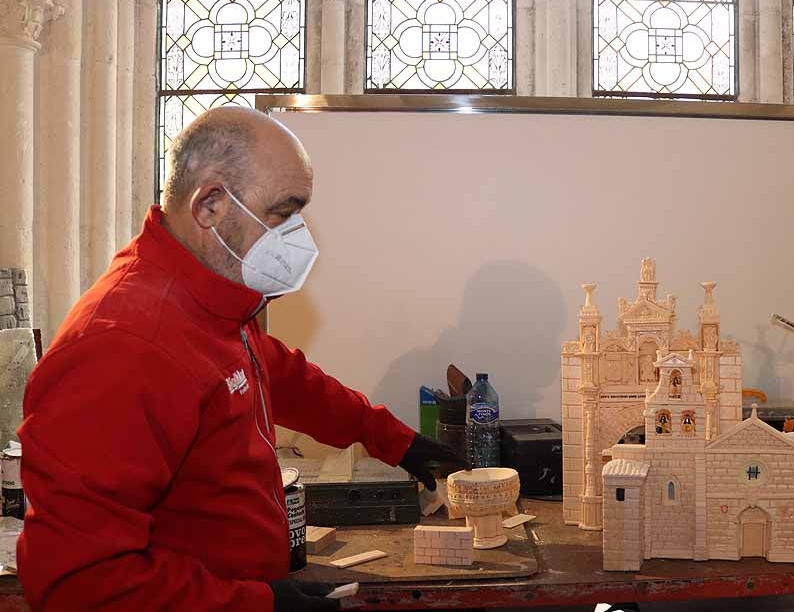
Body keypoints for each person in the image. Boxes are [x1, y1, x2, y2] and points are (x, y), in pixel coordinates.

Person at [17, 107, 468, 611]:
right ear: (209, 205)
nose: (298, 236)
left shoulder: (210, 296)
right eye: (283, 212)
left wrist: (394, 439)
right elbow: (80, 583)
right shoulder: (123, 346)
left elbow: (282, 376)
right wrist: (259, 604)